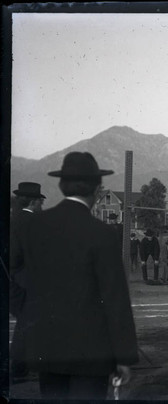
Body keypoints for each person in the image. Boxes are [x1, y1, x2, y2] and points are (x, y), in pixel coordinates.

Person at [10, 152, 138, 399]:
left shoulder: (34, 227)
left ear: (61, 185)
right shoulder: (102, 234)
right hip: (90, 352)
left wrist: (25, 310)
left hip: (47, 347)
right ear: (97, 189)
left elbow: (9, 272)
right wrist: (124, 357)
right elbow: (115, 300)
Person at [10, 182, 46, 381]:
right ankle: (19, 367)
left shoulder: (16, 219)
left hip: (20, 278)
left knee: (29, 322)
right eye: (40, 201)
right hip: (30, 279)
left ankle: (25, 364)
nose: (42, 204)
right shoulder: (33, 222)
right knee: (28, 323)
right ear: (33, 202)